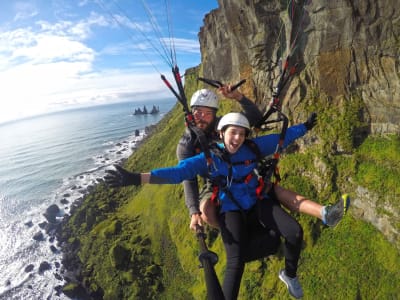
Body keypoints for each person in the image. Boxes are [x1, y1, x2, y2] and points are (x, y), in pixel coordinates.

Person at [104, 113, 349, 299]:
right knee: (236, 259)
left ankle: (290, 275)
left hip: (257, 200)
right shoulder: (209, 158)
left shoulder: (252, 148)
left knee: (295, 232)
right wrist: (136, 178)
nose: (238, 138)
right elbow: (178, 173)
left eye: (242, 134)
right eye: (233, 133)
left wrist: (304, 127)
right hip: (229, 205)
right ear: (221, 133)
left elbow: (280, 139)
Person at [178, 87, 348, 230]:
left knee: (274, 190)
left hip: (242, 171)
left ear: (215, 115)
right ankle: (234, 234)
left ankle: (326, 214)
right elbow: (188, 178)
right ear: (191, 113)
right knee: (205, 212)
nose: (202, 117)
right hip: (215, 181)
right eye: (198, 112)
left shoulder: (224, 124)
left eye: (208, 113)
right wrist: (194, 212)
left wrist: (237, 96)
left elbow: (255, 118)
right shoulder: (187, 144)